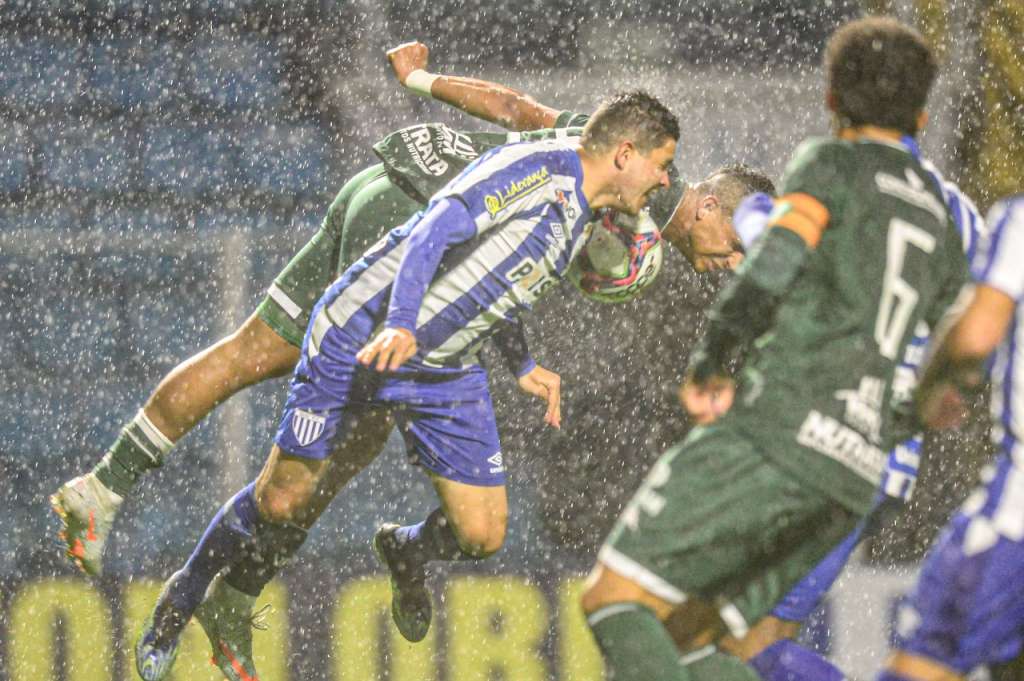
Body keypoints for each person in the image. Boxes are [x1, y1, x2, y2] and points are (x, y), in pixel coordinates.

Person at [50, 42, 742, 579]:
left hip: (393, 183)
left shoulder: (621, 151)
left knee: (252, 352)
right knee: (358, 427)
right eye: (736, 244)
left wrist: (421, 81)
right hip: (420, 225)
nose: (732, 262)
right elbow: (521, 168)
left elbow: (519, 111)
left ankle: (104, 485)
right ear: (708, 205)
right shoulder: (647, 182)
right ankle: (240, 579)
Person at [133, 91, 680, 681]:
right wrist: (399, 321)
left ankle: (406, 548)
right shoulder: (535, 171)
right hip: (362, 332)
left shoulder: (583, 216)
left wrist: (522, 364)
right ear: (625, 153)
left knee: (483, 533)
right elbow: (433, 231)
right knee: (281, 500)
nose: (666, 179)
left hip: (443, 368)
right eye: (663, 164)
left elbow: (501, 282)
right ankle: (183, 598)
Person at [580, 17, 969, 681]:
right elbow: (962, 343)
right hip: (861, 469)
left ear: (831, 100)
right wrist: (910, 412)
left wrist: (712, 361)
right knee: (704, 645)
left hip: (786, 437)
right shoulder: (943, 210)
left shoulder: (830, 168)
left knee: (616, 603)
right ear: (923, 114)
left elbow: (770, 265)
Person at [873, 195, 1024, 681]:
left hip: (1016, 516)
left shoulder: (1019, 220)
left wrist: (931, 384)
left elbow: (975, 334)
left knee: (925, 658)